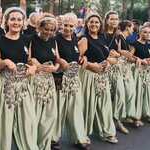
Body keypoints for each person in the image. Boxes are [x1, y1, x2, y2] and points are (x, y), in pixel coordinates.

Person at [0, 7, 37, 150]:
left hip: (23, 85)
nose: (16, 22)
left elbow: (29, 60)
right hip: (5, 86)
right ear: (7, 21)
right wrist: (4, 62)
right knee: (4, 122)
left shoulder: (26, 40)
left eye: (19, 19)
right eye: (13, 19)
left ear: (23, 22)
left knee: (28, 120)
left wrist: (33, 67)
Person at [52, 12, 90, 150]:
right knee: (58, 110)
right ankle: (53, 138)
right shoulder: (56, 39)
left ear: (75, 27)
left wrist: (82, 58)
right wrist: (60, 60)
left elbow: (77, 55)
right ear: (61, 26)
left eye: (71, 26)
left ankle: (79, 138)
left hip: (74, 79)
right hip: (60, 79)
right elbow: (53, 56)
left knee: (76, 109)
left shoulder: (75, 39)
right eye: (65, 25)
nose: (68, 28)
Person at [78, 13, 118, 144]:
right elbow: (77, 58)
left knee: (105, 105)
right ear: (87, 24)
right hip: (88, 75)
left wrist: (108, 62)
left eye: (96, 22)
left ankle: (108, 132)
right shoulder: (84, 39)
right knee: (87, 105)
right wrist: (91, 65)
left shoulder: (102, 38)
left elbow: (107, 56)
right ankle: (82, 134)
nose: (94, 24)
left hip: (102, 76)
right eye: (91, 22)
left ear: (101, 25)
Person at [29, 14, 59, 150]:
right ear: (39, 27)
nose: (49, 32)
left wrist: (55, 68)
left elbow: (57, 59)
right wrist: (37, 65)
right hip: (35, 80)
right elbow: (29, 58)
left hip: (49, 80)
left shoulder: (53, 41)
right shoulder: (31, 39)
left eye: (52, 30)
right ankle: (31, 144)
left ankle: (44, 144)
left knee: (49, 114)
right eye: (46, 29)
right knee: (34, 114)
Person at [103, 11, 129, 134]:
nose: (114, 21)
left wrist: (117, 54)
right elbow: (96, 50)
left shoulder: (117, 36)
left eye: (116, 19)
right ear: (107, 20)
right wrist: (109, 54)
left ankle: (117, 120)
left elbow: (119, 52)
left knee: (120, 96)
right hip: (105, 68)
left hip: (116, 69)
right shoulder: (101, 34)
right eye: (112, 19)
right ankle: (106, 122)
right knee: (107, 98)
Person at [131, 25, 150, 125]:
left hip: (147, 73)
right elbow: (130, 57)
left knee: (147, 94)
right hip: (137, 72)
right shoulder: (134, 44)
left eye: (149, 32)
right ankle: (136, 117)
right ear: (140, 33)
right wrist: (140, 60)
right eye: (145, 32)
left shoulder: (148, 45)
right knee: (138, 94)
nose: (147, 34)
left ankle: (147, 114)